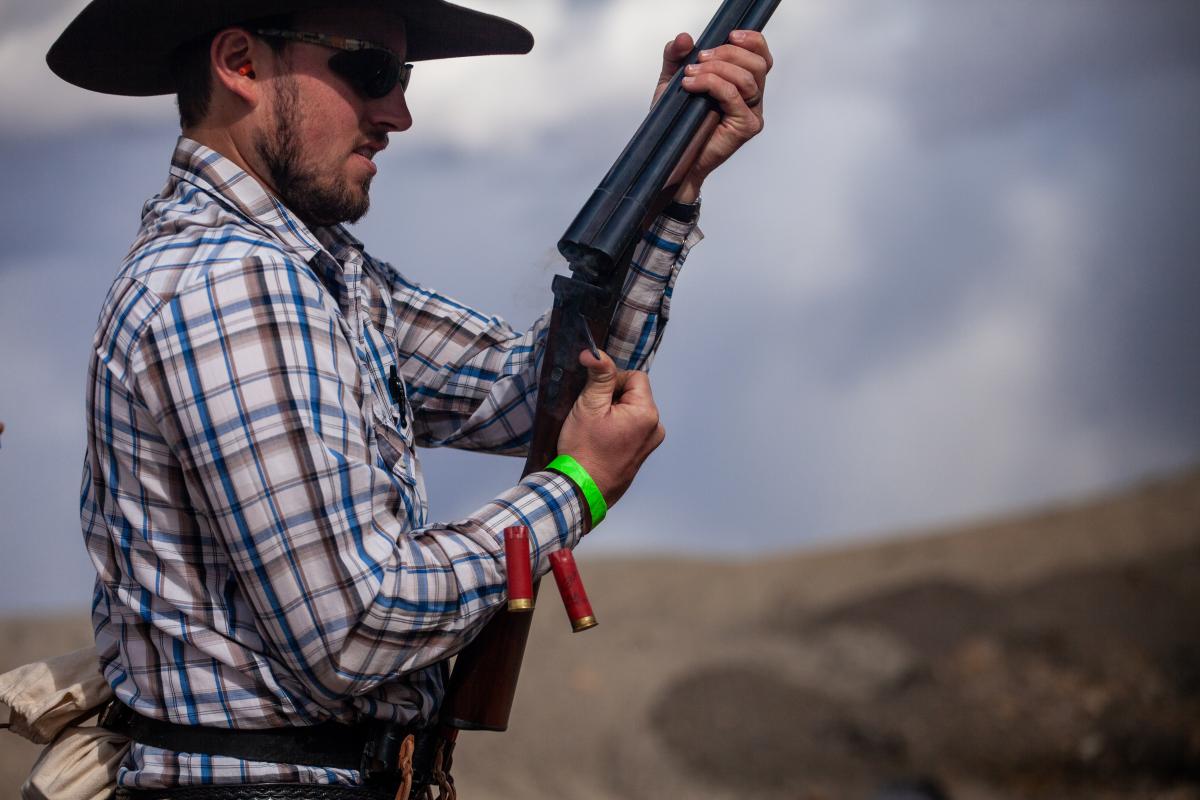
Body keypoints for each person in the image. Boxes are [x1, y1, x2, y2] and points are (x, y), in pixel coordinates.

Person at [47, 0, 771, 796]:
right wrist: (576, 490)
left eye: (404, 76)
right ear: (240, 64)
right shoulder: (234, 284)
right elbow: (359, 626)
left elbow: (539, 393)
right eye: (372, 72)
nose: (399, 112)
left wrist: (666, 183)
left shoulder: (314, 273)